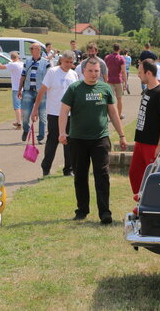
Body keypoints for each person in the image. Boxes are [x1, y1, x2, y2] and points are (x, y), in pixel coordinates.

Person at [59, 57, 127, 224]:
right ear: (83, 72)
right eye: (90, 71)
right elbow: (63, 111)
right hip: (78, 140)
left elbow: (113, 113)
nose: (93, 74)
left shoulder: (105, 88)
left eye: (96, 71)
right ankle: (82, 210)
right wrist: (62, 132)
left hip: (100, 139)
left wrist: (122, 135)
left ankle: (105, 212)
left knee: (102, 176)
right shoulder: (75, 88)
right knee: (80, 176)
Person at [31, 50, 78, 176]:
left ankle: (68, 169)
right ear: (61, 60)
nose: (68, 64)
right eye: (66, 62)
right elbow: (42, 91)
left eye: (71, 62)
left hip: (70, 114)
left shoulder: (73, 74)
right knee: (52, 141)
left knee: (69, 142)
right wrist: (35, 109)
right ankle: (46, 168)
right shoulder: (52, 72)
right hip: (54, 113)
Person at [130, 59, 160, 195]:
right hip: (141, 140)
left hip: (152, 144)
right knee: (134, 174)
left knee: (152, 177)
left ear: (148, 73)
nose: (138, 75)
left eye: (140, 72)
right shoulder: (147, 90)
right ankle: (140, 202)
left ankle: (153, 204)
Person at [18, 43, 50, 143]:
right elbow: (23, 76)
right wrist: (19, 89)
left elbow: (50, 77)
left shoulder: (46, 62)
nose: (31, 50)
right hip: (28, 90)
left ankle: (40, 137)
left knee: (42, 115)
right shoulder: (27, 61)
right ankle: (26, 129)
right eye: (30, 48)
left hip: (41, 91)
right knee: (25, 114)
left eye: (33, 48)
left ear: (39, 49)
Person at [0, 51, 24, 129]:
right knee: (22, 106)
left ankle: (19, 123)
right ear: (18, 57)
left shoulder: (12, 64)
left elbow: (1, 67)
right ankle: (19, 121)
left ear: (11, 58)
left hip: (16, 88)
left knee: (17, 107)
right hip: (23, 87)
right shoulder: (21, 64)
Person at [104, 43, 127, 119]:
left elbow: (105, 69)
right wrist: (125, 83)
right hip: (118, 80)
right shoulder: (121, 58)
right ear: (119, 49)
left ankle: (108, 115)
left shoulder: (107, 57)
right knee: (119, 99)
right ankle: (118, 115)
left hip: (109, 80)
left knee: (109, 100)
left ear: (113, 49)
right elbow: (123, 71)